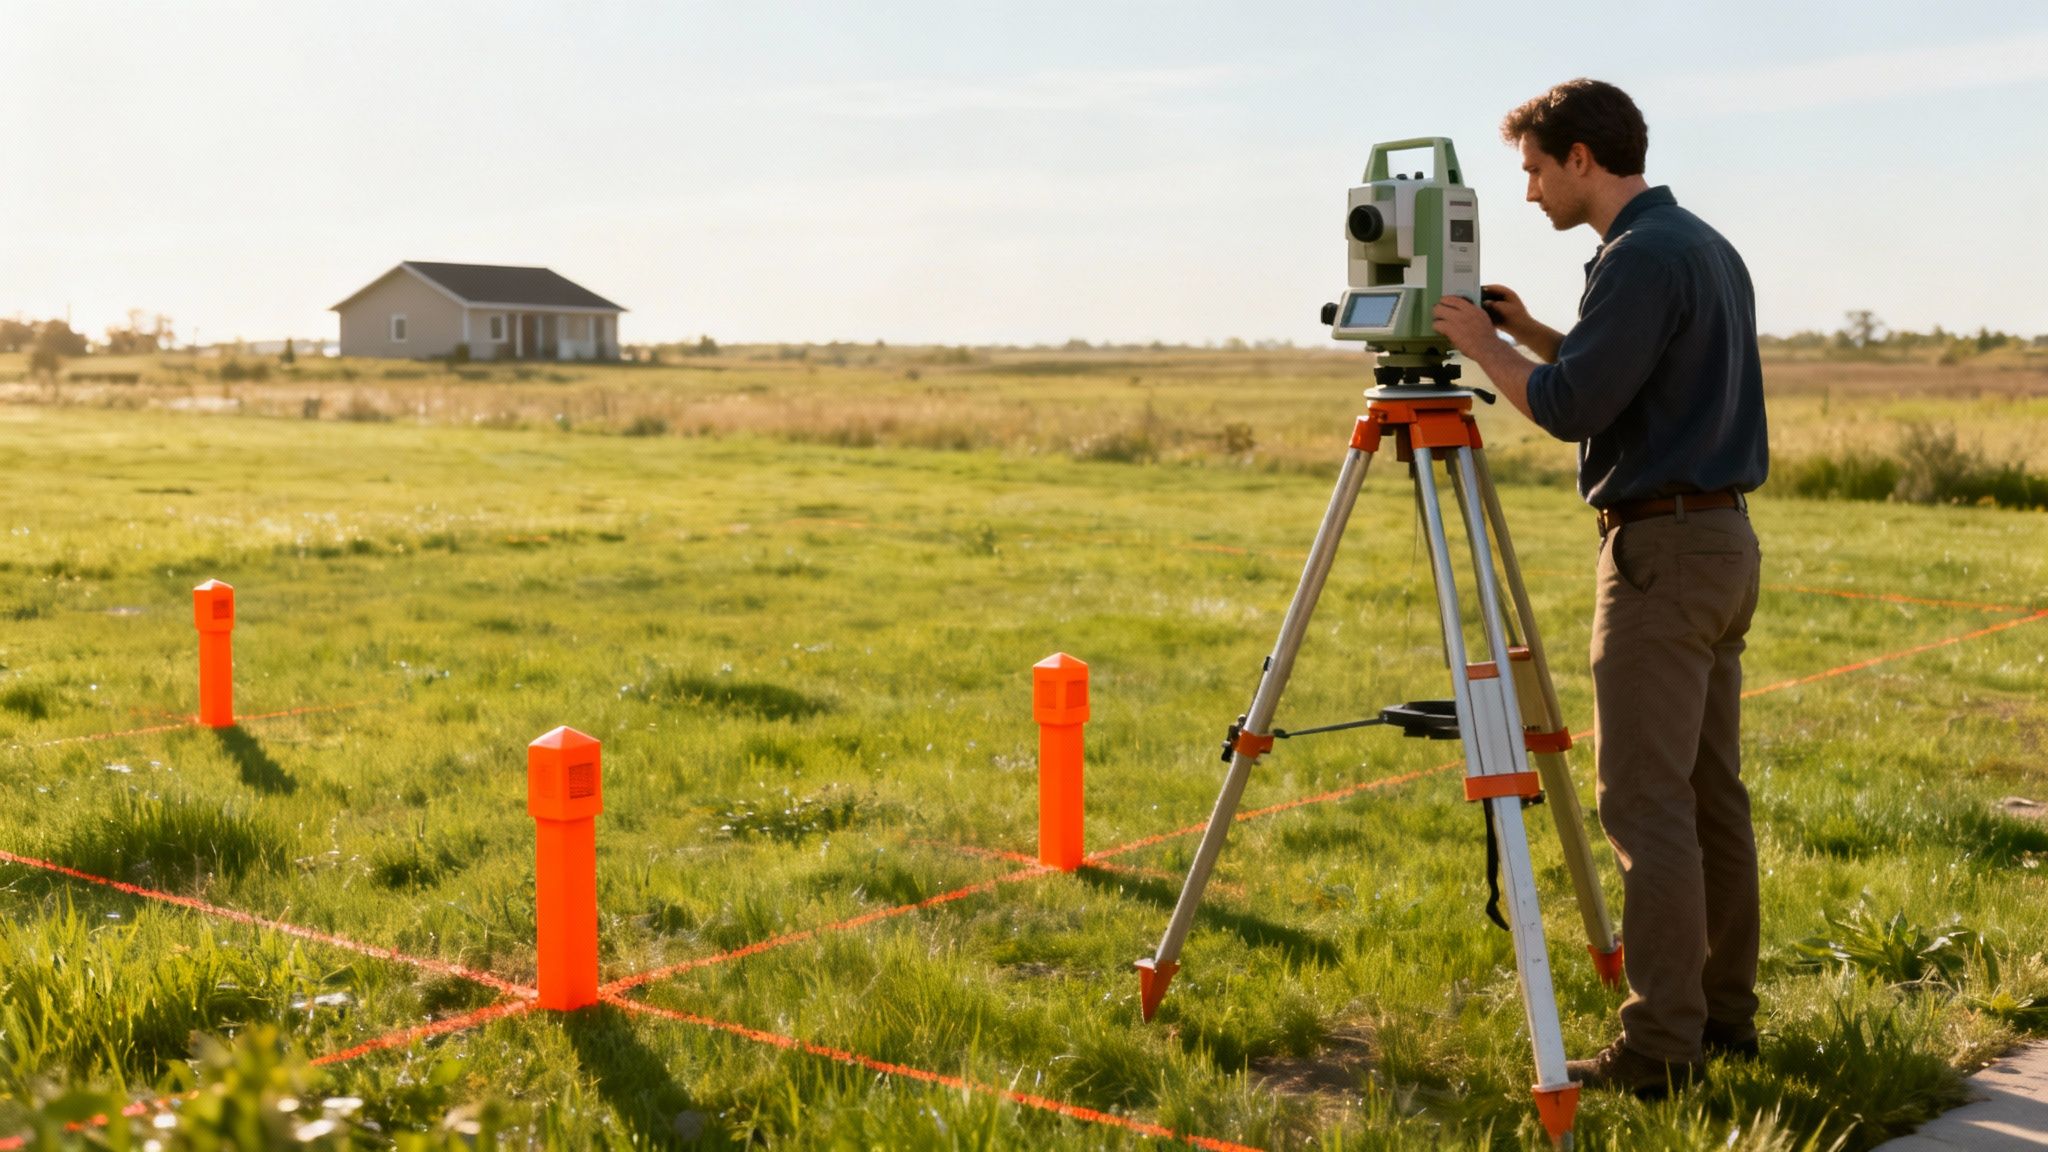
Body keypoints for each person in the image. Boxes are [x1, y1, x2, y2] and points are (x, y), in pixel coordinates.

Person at [1429, 78, 1769, 1098]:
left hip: (1659, 559)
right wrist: (1529, 329)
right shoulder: (1695, 245)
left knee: (1645, 805)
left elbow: (1575, 409)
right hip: (1718, 543)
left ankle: (1659, 1049)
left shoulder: (1636, 259)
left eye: (1533, 168)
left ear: (1582, 158)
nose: (1527, 192)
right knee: (1708, 798)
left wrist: (1475, 344)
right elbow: (1617, 377)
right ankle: (1723, 1021)